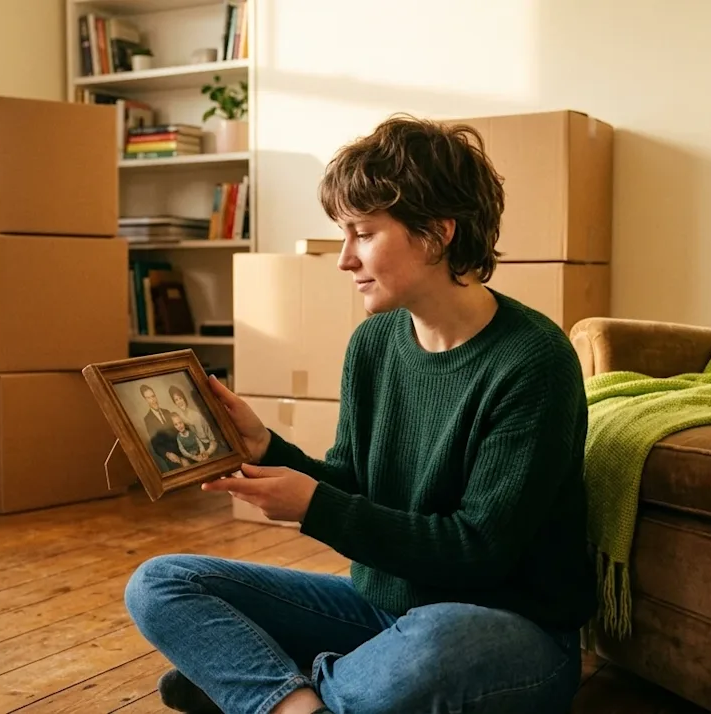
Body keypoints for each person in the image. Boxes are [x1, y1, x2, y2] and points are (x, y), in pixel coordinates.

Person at [123, 114, 597, 714]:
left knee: (438, 642)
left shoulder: (534, 360)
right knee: (161, 583)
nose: (345, 258)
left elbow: (479, 550)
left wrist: (314, 506)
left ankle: (270, 691)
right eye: (342, 234)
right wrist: (266, 446)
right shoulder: (373, 345)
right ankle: (303, 699)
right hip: (379, 610)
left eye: (363, 233)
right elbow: (355, 484)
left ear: (436, 233)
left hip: (505, 629)